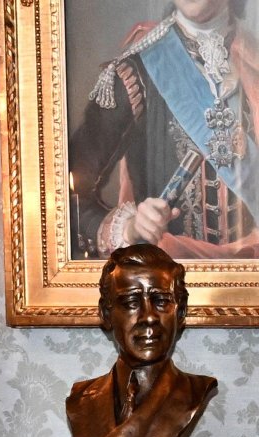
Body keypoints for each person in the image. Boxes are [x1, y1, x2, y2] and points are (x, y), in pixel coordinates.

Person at [69, 0, 259, 258]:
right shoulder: (136, 70)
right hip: (164, 285)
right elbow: (62, 199)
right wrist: (129, 228)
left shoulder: (254, 59)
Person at [67, 242, 215, 437]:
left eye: (161, 300)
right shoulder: (81, 399)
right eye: (131, 302)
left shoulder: (194, 392)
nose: (148, 316)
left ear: (181, 313)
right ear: (106, 314)